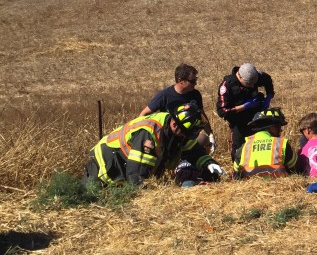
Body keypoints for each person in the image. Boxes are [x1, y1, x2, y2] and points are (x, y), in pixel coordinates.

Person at [82, 101, 223, 187]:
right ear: (175, 125)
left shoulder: (179, 132)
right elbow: (136, 175)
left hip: (121, 173)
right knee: (86, 200)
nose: (188, 138)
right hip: (104, 167)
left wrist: (208, 163)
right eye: (187, 134)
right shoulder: (150, 133)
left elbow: (193, 150)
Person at [139, 63, 216, 154]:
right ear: (181, 81)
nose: (195, 83)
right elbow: (143, 114)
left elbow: (201, 115)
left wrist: (210, 134)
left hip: (189, 137)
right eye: (192, 81)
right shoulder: (164, 95)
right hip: (169, 138)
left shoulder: (195, 94)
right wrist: (145, 135)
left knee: (204, 140)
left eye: (196, 80)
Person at [216, 63, 275, 159]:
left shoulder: (254, 76)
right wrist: (245, 106)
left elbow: (267, 80)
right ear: (240, 77)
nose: (252, 86)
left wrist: (269, 97)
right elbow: (222, 111)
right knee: (238, 153)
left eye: (254, 84)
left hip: (256, 118)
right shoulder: (227, 86)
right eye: (249, 84)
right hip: (238, 123)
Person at [232, 108, 301, 179]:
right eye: (278, 126)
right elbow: (295, 170)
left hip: (250, 187)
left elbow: (236, 174)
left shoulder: (245, 146)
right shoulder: (281, 144)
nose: (280, 130)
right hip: (277, 187)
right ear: (270, 127)